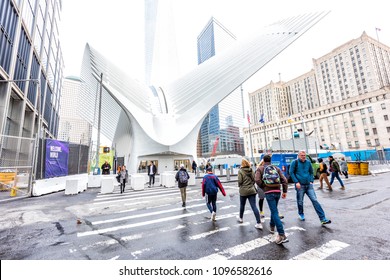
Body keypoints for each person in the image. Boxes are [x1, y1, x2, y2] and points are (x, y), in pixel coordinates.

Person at [290, 150, 331, 225]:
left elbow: (311, 172)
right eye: (302, 155)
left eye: (304, 155)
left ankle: (323, 219)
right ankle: (301, 213)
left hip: (309, 185)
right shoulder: (294, 162)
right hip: (300, 185)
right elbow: (291, 172)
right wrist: (296, 182)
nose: (303, 157)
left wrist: (311, 181)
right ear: (298, 156)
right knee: (300, 201)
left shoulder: (308, 162)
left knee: (315, 200)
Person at [255, 154, 289, 244]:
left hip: (269, 192)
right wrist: (284, 191)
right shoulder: (276, 168)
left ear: (263, 160)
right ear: (271, 160)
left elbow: (257, 180)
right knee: (274, 210)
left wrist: (264, 187)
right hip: (277, 191)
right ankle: (272, 226)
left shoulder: (260, 168)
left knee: (274, 212)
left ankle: (282, 234)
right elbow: (284, 180)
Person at [237, 158, 262, 229]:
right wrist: (251, 185)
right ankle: (259, 223)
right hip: (252, 190)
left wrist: (240, 186)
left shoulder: (240, 171)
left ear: (242, 164)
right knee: (254, 206)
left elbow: (240, 181)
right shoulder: (251, 170)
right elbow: (254, 180)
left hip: (243, 191)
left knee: (242, 205)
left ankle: (241, 218)